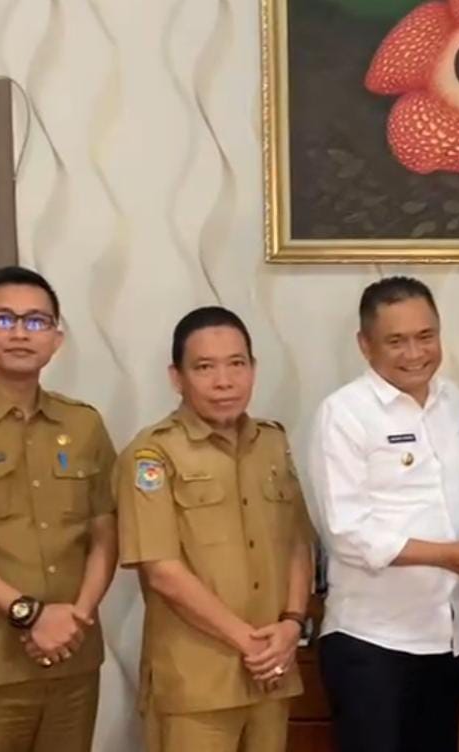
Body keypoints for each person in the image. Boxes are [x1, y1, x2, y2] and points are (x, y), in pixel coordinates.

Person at [307, 276, 459, 752]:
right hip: (372, 644)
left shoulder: (451, 400)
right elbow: (347, 533)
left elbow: (454, 492)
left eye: (426, 336)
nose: (415, 353)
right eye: (396, 341)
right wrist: (448, 555)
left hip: (446, 636)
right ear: (365, 344)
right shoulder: (344, 413)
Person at [115, 306, 313, 752]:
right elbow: (162, 571)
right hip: (196, 684)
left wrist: (291, 624)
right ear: (177, 377)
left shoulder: (272, 442)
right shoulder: (152, 455)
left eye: (236, 364)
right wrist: (248, 642)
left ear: (253, 369)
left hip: (271, 673)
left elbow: (298, 542)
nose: (224, 381)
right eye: (205, 367)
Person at [0, 266, 117, 752]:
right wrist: (29, 614)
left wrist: (77, 617)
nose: (20, 333)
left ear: (56, 338)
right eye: (2, 319)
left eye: (36, 321)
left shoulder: (83, 425)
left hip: (72, 660)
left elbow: (105, 530)